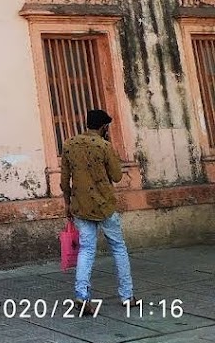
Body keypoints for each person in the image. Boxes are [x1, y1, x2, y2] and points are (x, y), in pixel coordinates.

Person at [60, 108, 136, 305]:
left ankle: (82, 296)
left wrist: (67, 204)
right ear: (104, 127)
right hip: (104, 206)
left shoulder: (69, 144)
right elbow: (117, 176)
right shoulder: (104, 146)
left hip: (80, 206)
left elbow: (64, 180)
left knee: (86, 249)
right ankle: (127, 296)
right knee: (118, 248)